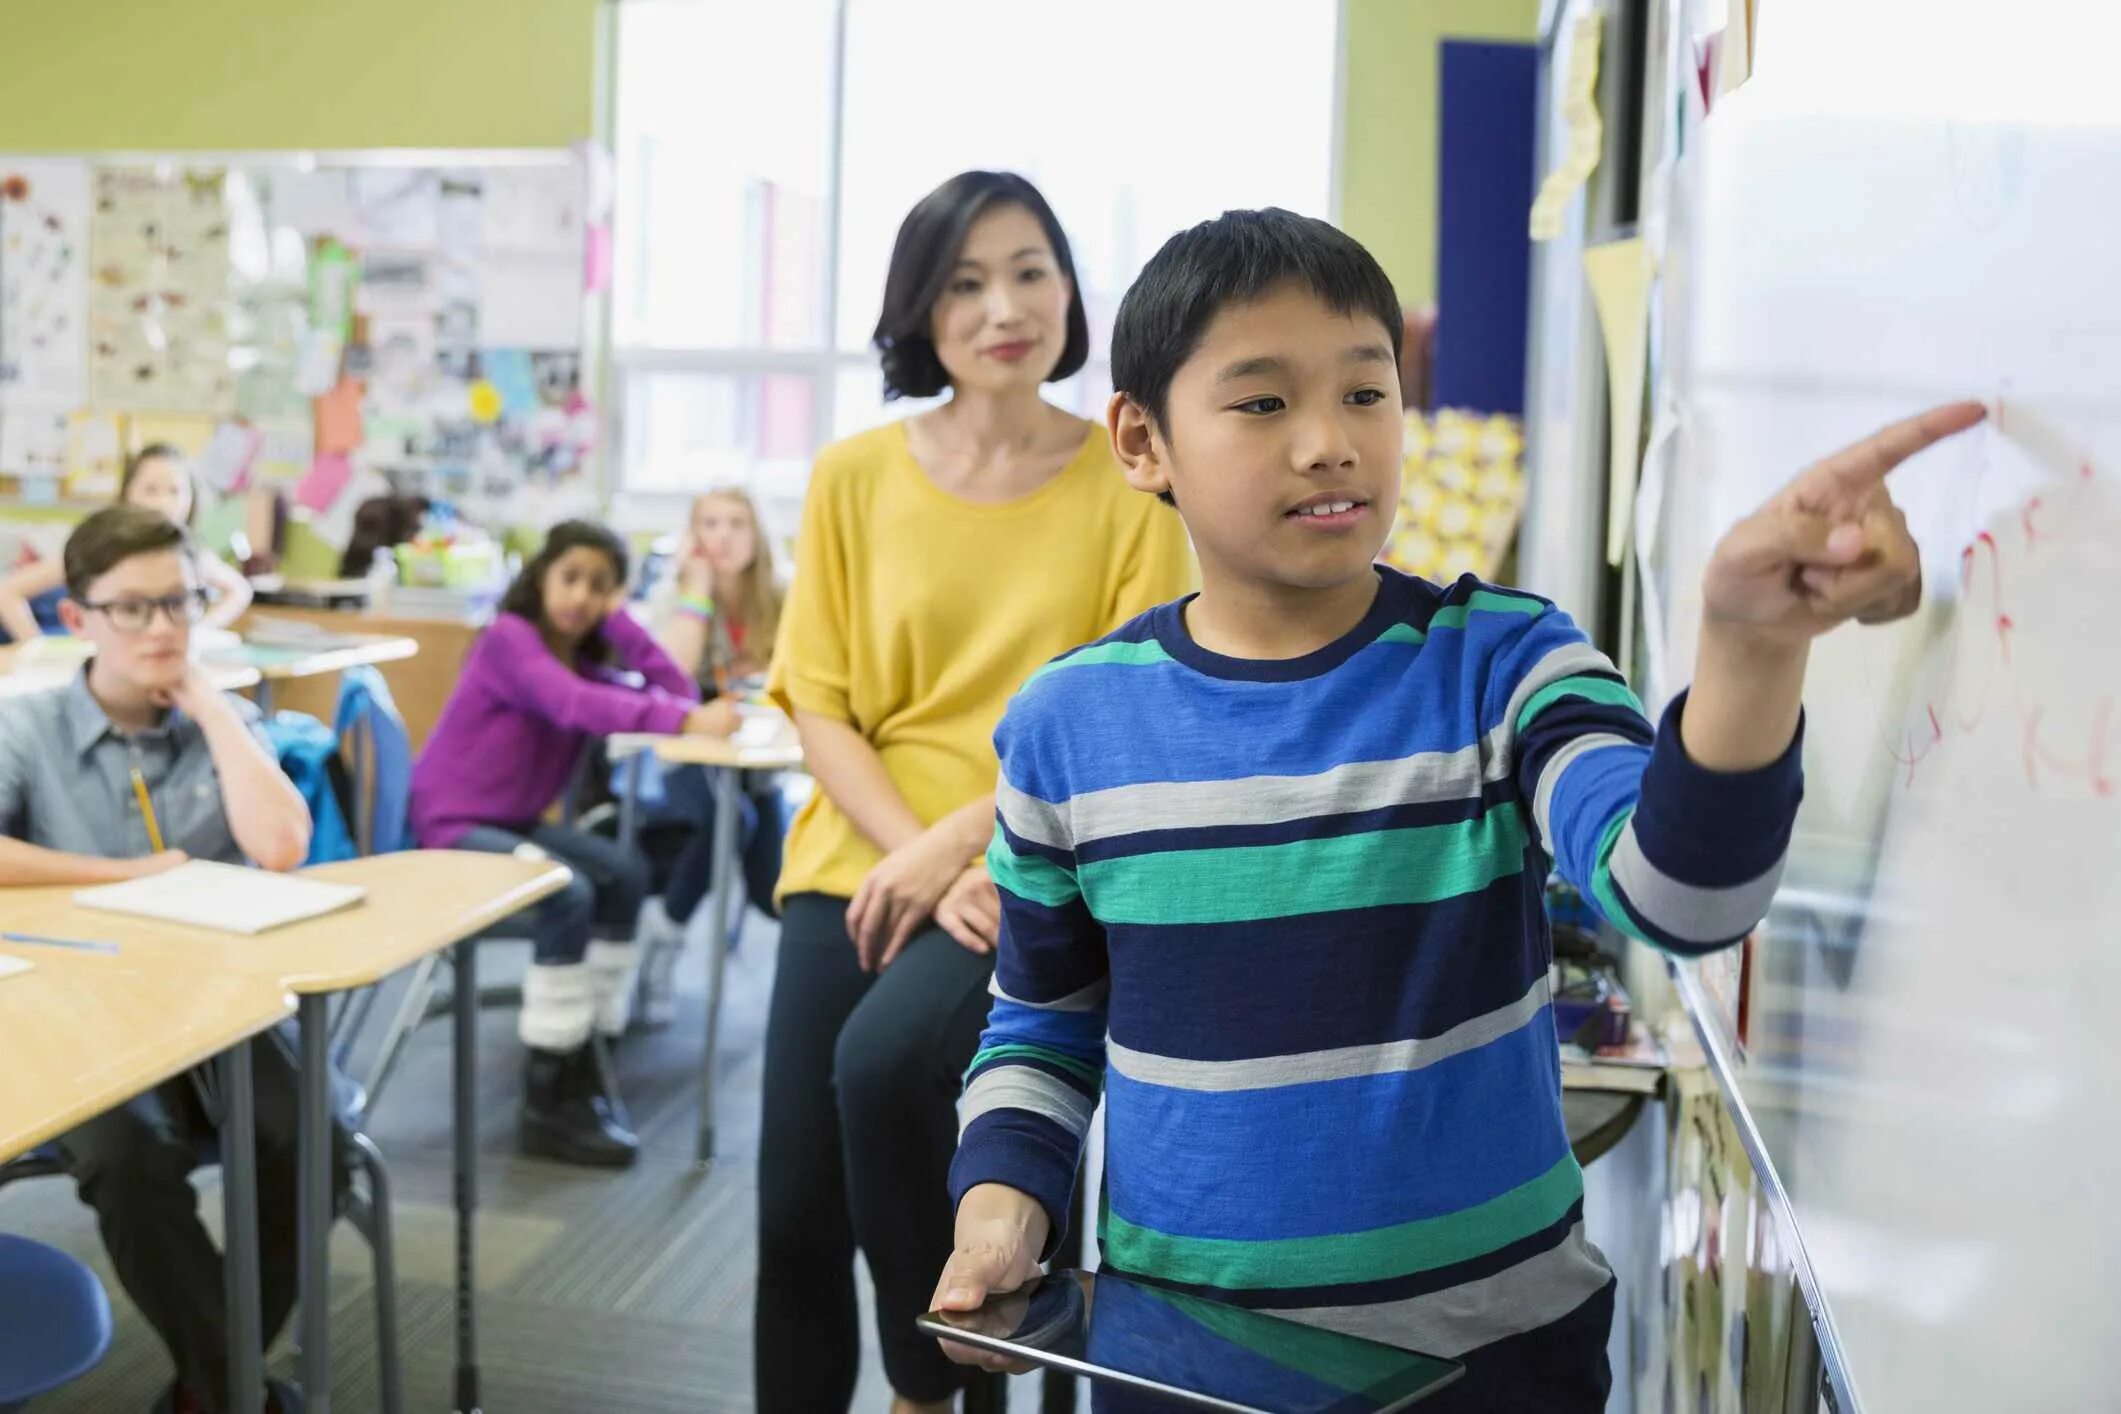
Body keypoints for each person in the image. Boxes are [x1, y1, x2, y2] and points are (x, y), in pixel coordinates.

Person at [931, 208, 1986, 1411]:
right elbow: (1042, 1026)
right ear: (1141, 438)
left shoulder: (1503, 661)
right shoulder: (1067, 726)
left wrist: (1749, 649)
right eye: (1264, 402)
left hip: (1495, 1358)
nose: (1331, 443)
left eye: (1367, 394)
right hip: (1186, 1355)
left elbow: (1680, 897)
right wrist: (1001, 1206)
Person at [756, 170, 1195, 1414]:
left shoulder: (1127, 477)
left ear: (1068, 292)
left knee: (884, 1072)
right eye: (965, 281)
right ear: (920, 311)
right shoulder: (852, 474)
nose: (1003, 304)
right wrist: (912, 851)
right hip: (856, 852)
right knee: (794, 1209)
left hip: (1024, 860)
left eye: (1029, 271)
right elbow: (820, 698)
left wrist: (964, 852)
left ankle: (930, 1388)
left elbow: (1112, 704)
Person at [0, 504, 332, 1414]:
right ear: (79, 621)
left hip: (220, 1000)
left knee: (313, 1138)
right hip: (87, 1009)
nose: (163, 628)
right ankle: (233, 1392)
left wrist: (213, 709)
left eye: (180, 603)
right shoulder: (27, 727)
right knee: (126, 1154)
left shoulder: (212, 711)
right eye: (134, 610)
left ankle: (208, 1382)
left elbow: (280, 846)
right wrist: (127, 872)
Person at [408, 519, 736, 1167]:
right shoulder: (509, 640)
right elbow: (574, 706)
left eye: (600, 587)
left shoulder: (582, 655)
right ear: (541, 576)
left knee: (624, 873)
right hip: (452, 829)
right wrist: (688, 718)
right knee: (569, 893)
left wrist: (620, 627)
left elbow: (671, 686)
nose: (580, 597)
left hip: (514, 824)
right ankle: (547, 1100)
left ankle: (589, 1049)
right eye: (570, 578)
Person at [633, 488, 791, 1025]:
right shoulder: (674, 595)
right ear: (691, 536)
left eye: (736, 524)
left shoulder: (783, 594)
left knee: (776, 887)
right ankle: (666, 935)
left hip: (761, 760)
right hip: (689, 750)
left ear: (757, 535)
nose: (721, 536)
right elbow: (673, 676)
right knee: (729, 818)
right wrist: (697, 592)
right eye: (709, 524)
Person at [0, 444, 253, 642]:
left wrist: (200, 631)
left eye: (174, 491)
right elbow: (7, 592)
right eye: (151, 490)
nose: (163, 503)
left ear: (191, 499)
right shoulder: (97, 549)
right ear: (127, 494)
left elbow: (239, 590)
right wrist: (35, 646)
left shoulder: (190, 556)